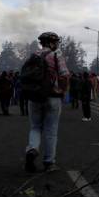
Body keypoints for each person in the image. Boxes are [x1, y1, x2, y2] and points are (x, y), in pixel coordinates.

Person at [22, 32, 70, 173]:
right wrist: (63, 90)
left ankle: (32, 149)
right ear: (52, 42)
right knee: (51, 131)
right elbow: (64, 75)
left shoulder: (34, 55)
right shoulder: (56, 55)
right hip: (52, 97)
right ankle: (49, 163)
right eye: (56, 42)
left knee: (35, 127)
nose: (57, 45)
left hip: (34, 97)